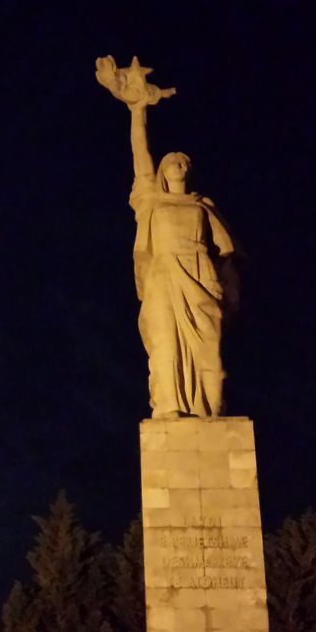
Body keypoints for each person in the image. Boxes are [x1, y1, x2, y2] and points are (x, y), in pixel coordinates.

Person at [97, 56, 235, 418]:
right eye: (173, 159)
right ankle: (170, 407)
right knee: (165, 347)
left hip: (200, 277)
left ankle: (211, 412)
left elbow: (228, 254)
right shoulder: (151, 201)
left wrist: (225, 284)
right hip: (162, 275)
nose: (179, 163)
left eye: (185, 161)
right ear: (161, 171)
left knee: (211, 356)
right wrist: (137, 110)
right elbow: (140, 155)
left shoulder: (203, 206)